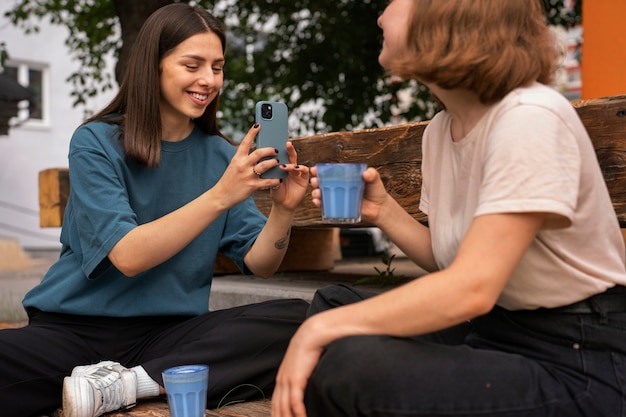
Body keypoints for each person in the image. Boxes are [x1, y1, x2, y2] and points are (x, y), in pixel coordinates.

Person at [271, 1, 626, 416]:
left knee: (353, 364)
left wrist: (316, 332)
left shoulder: (529, 118)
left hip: (577, 358)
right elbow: (452, 262)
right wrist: (385, 212)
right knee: (334, 304)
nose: (381, 14)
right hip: (494, 328)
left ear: (446, 14)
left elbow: (472, 287)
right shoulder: (441, 131)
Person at [0, 4, 311, 417]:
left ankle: (129, 384)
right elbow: (128, 256)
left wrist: (284, 212)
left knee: (299, 319)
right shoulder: (95, 142)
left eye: (217, 67)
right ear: (155, 66)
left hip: (169, 338)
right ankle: (141, 381)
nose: (208, 80)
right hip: (73, 331)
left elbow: (261, 264)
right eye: (192, 64)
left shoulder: (220, 155)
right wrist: (220, 195)